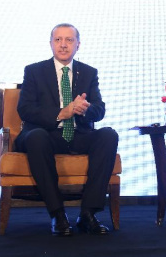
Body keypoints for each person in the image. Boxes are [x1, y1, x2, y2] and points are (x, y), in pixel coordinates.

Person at [15, 23, 119, 236]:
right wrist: (62, 113)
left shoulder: (89, 73)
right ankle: (57, 214)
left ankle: (88, 213)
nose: (63, 45)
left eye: (69, 40)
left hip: (78, 134)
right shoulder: (34, 71)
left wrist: (85, 110)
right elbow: (25, 109)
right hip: (45, 134)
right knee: (36, 137)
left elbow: (99, 110)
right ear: (51, 43)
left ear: (78, 45)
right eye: (58, 40)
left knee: (108, 135)